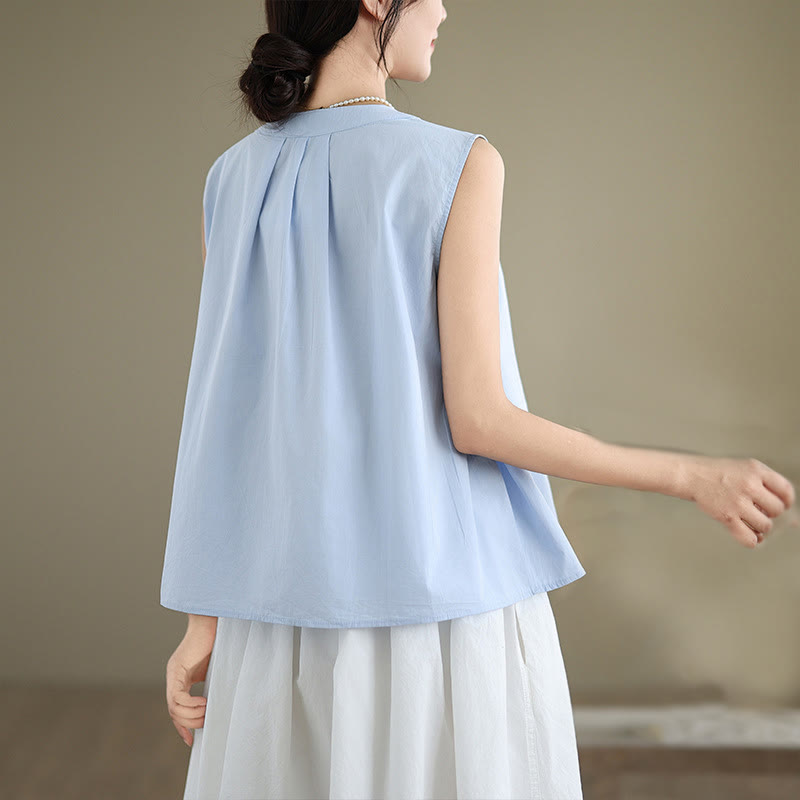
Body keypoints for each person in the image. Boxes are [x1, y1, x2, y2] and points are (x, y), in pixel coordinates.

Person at [161, 1, 797, 798]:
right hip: (439, 613)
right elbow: (481, 420)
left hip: (274, 613)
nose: (443, 8)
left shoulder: (230, 178)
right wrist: (693, 476)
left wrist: (205, 617)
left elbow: (225, 417)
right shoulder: (457, 163)